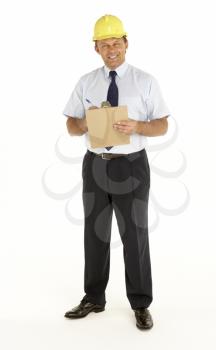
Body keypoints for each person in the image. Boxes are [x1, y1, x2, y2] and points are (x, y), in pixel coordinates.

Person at [63, 14, 170, 330]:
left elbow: (162, 124)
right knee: (94, 234)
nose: (111, 49)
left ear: (126, 43)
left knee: (134, 235)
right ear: (95, 47)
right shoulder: (86, 82)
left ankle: (140, 303)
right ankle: (94, 297)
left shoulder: (145, 81)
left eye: (116, 42)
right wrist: (85, 122)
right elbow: (70, 125)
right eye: (104, 44)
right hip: (95, 164)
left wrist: (138, 125)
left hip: (131, 165)